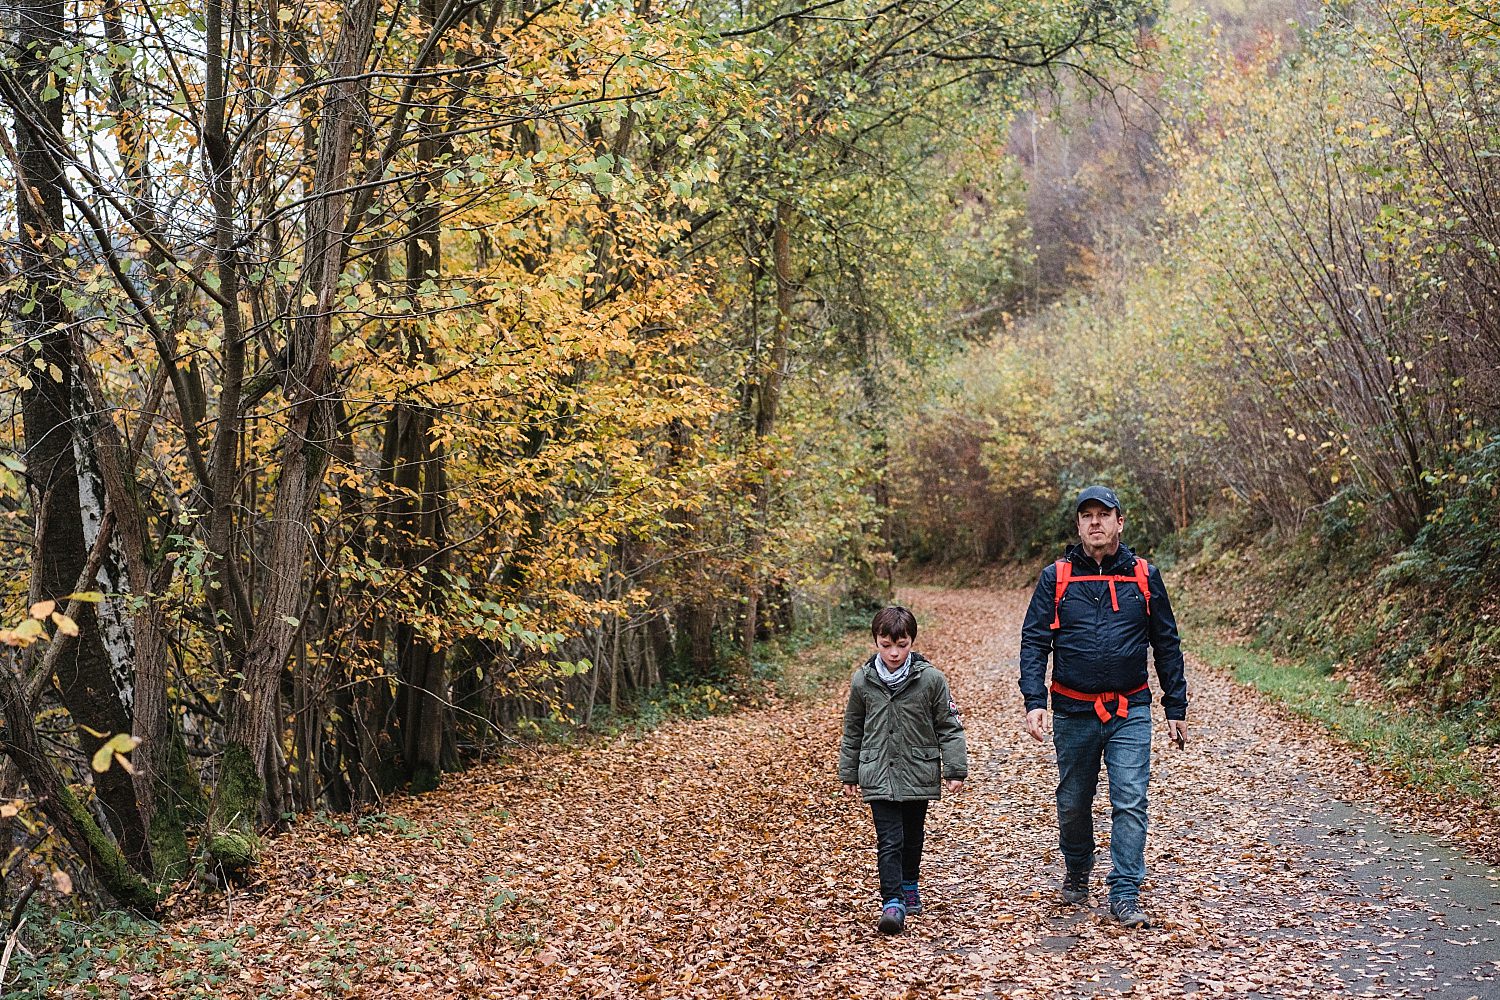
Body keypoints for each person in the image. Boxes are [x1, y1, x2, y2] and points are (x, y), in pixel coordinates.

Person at [1019, 485, 1188, 929]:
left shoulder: (1144, 576)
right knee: (1074, 800)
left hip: (1129, 708)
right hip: (1073, 711)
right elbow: (1035, 641)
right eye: (1087, 515)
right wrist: (1035, 700)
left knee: (1130, 800)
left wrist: (1176, 705)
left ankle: (1125, 891)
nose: (1095, 522)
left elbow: (1166, 643)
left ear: (1120, 521)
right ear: (1078, 525)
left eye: (1103, 514)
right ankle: (1077, 868)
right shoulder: (1055, 578)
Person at [839, 605, 967, 935]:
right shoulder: (863, 681)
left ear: (912, 641)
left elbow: (949, 726)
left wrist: (955, 769)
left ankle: (910, 883)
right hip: (878, 771)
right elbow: (853, 727)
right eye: (886, 645)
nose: (894, 653)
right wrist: (849, 772)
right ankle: (892, 902)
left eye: (902, 645)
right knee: (889, 839)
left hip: (917, 770)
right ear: (876, 642)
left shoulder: (931, 680)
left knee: (912, 837)